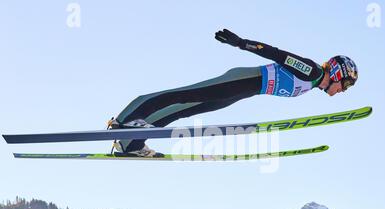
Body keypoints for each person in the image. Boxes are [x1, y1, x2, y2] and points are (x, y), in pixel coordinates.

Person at [109, 29, 358, 157]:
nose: (342, 91)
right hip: (241, 81)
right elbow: (278, 54)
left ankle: (132, 142)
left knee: (184, 109)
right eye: (345, 85)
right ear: (337, 72)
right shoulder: (312, 71)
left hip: (245, 91)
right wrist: (241, 43)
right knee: (182, 95)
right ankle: (123, 121)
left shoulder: (312, 83)